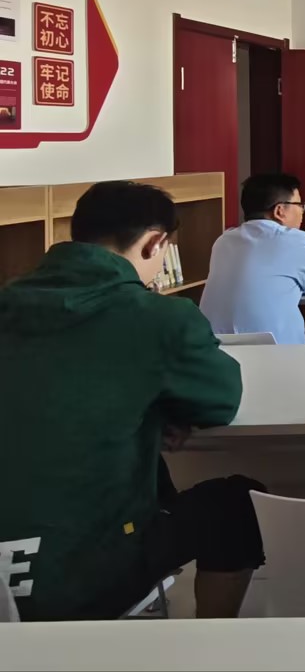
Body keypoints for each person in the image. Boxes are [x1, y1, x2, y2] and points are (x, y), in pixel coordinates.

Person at [0, 181, 264, 620]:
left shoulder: (9, 302)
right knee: (235, 505)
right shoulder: (159, 317)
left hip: (6, 580)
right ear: (155, 243)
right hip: (80, 577)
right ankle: (213, 642)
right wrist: (158, 410)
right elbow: (220, 402)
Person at [201, 173, 305, 344]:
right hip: (275, 352)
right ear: (280, 211)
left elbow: (265, 281)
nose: (302, 211)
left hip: (217, 348)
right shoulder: (299, 241)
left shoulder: (224, 240)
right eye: (299, 205)